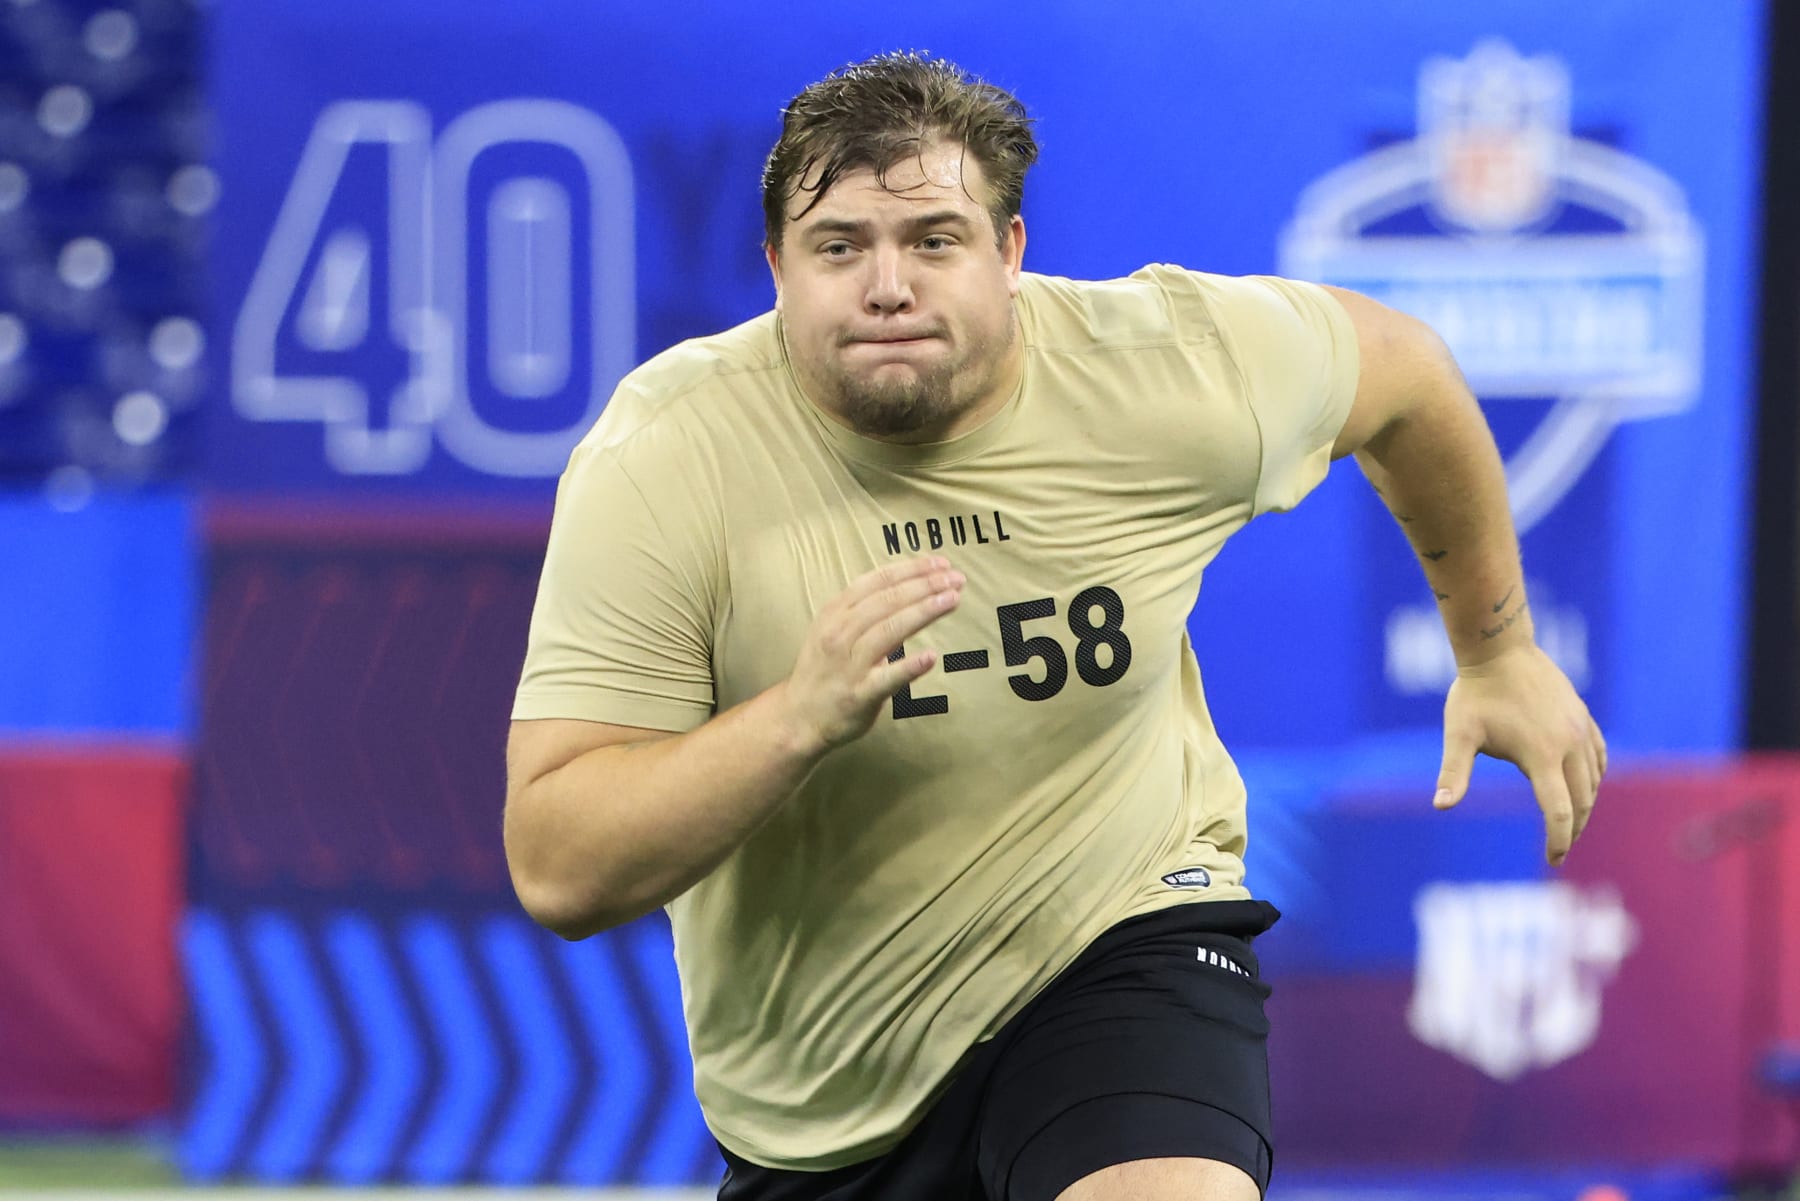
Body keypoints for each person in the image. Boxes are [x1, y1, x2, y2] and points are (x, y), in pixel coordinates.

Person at [503, 51, 1606, 1201]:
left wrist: (1496, 647)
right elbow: (560, 863)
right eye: (840, 247)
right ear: (776, 266)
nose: (889, 286)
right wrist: (797, 718)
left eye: (934, 240)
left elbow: (1407, 375)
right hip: (827, 1086)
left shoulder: (1165, 368)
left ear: (1010, 255)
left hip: (1121, 945)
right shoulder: (668, 456)